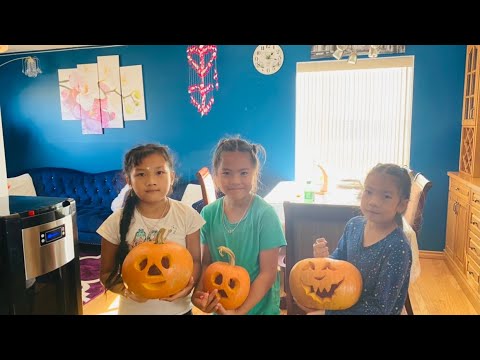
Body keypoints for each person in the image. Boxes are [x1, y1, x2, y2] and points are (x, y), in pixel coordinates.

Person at [98, 143, 205, 315]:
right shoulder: (116, 221)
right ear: (129, 181)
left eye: (159, 172)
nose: (151, 181)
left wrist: (189, 285)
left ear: (172, 176)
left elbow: (195, 261)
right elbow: (106, 273)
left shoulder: (187, 215)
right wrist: (126, 291)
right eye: (141, 174)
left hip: (180, 311)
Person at [192, 136, 287, 315]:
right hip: (222, 307)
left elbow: (267, 274)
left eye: (243, 173)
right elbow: (207, 264)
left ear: (254, 173)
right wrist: (198, 293)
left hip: (259, 309)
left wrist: (239, 311)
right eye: (227, 173)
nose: (235, 181)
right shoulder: (208, 213)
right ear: (216, 175)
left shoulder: (265, 215)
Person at [307, 163, 413, 315]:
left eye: (386, 196)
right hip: (343, 305)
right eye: (369, 192)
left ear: (402, 205)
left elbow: (380, 309)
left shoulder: (397, 248)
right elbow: (339, 261)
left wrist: (329, 313)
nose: (373, 201)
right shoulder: (354, 225)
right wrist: (324, 260)